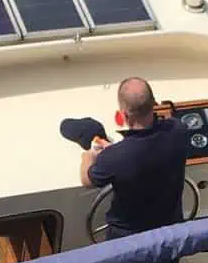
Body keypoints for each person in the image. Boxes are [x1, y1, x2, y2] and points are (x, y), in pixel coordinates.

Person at [61, 77, 188, 238]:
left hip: (128, 237)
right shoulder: (178, 131)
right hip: (170, 229)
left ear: (123, 116)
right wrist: (115, 151)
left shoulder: (114, 158)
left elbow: (87, 180)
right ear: (154, 104)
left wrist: (88, 156)